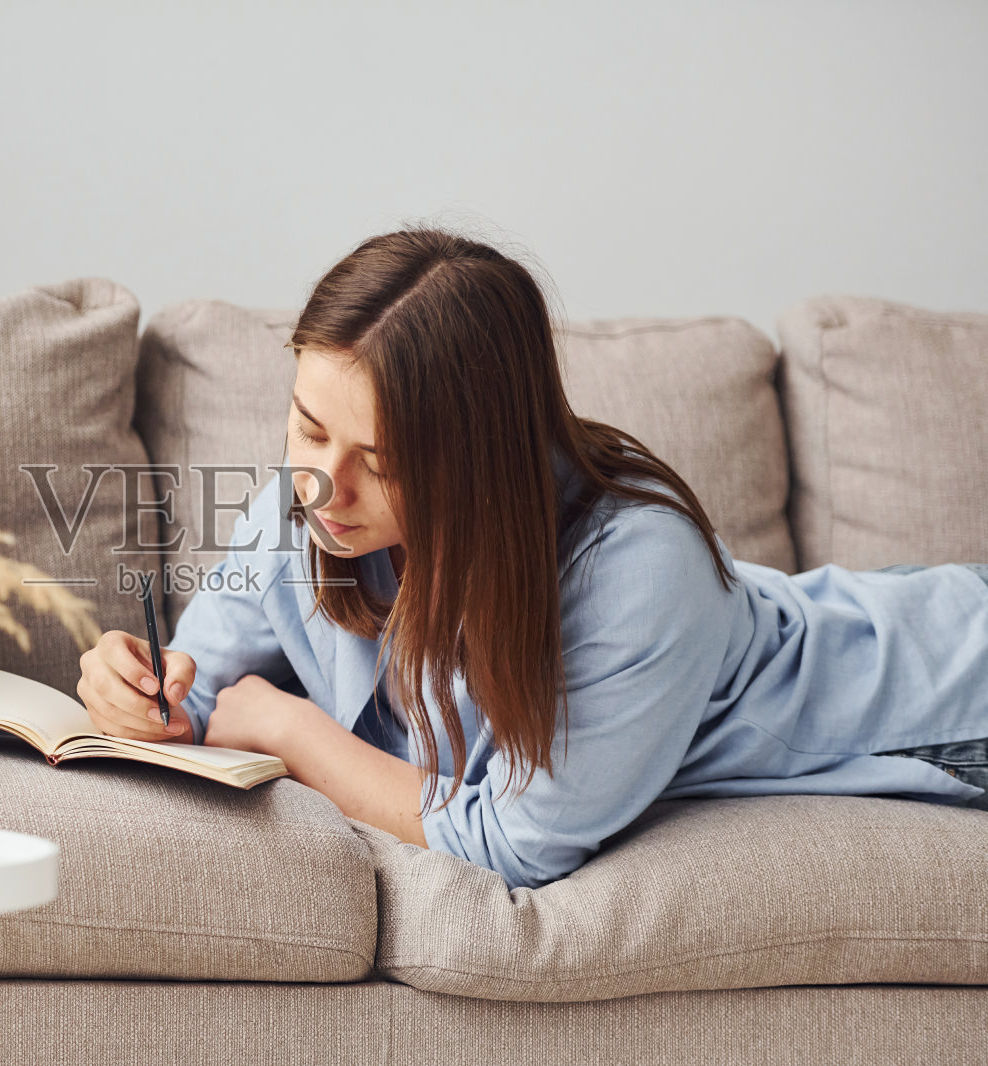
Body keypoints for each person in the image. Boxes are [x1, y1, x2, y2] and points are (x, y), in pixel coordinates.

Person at [75, 227, 988, 892]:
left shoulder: (640, 563)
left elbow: (516, 843)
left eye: (384, 463)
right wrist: (138, 692)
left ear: (479, 459)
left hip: (942, 696)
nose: (326, 486)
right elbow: (197, 700)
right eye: (308, 428)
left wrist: (292, 730)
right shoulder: (302, 506)